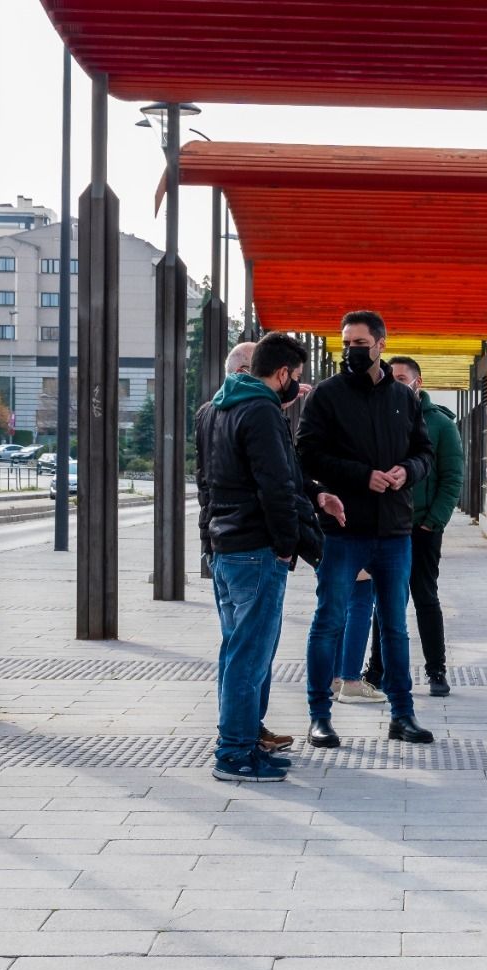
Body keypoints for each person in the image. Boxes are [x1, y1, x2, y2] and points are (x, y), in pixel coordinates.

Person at [196, 331, 344, 782]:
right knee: (250, 655)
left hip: (226, 547)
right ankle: (235, 752)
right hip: (256, 550)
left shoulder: (215, 409)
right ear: (282, 373)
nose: (293, 388)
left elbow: (207, 483)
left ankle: (240, 741)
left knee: (236, 651)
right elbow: (276, 485)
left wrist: (208, 541)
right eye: (294, 378)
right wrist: (287, 547)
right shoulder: (260, 410)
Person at [297, 310, 435, 748]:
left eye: (359, 343)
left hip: (395, 530)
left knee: (395, 626)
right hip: (344, 530)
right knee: (328, 621)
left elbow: (425, 454)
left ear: (380, 343)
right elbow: (307, 454)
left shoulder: (405, 398)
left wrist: (405, 472)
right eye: (347, 343)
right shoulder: (326, 396)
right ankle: (320, 715)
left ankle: (403, 714)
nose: (351, 350)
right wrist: (361, 476)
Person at [343, 356, 463, 698]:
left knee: (425, 597)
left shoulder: (440, 424)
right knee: (386, 601)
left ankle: (436, 670)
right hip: (387, 528)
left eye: (401, 378)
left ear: (417, 382)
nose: (394, 384)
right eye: (389, 378)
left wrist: (433, 522)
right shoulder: (378, 417)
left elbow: (453, 477)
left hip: (424, 527)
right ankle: (377, 670)